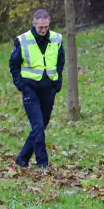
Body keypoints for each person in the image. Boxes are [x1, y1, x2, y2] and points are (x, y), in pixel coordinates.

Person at [10, 9, 64, 168]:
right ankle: (43, 163)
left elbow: (61, 61)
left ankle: (22, 158)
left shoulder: (57, 38)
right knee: (38, 126)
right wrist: (19, 84)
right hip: (30, 88)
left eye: (46, 27)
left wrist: (58, 81)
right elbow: (14, 64)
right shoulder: (23, 40)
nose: (43, 30)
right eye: (40, 27)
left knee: (41, 126)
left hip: (49, 88)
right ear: (34, 24)